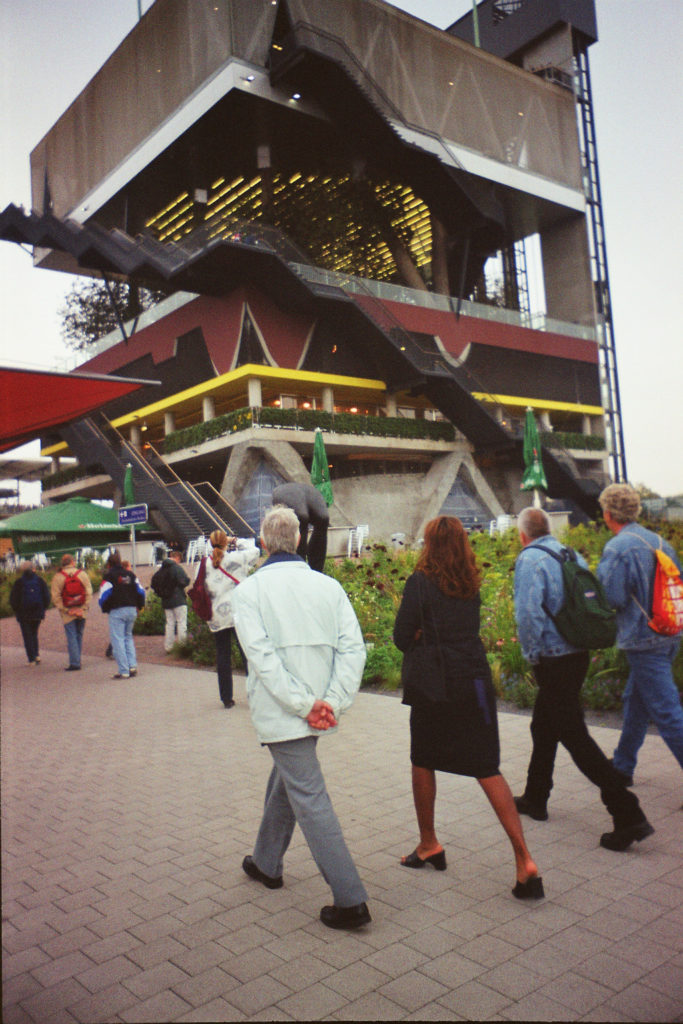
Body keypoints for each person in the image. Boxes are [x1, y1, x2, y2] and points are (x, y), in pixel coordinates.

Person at [232, 505, 370, 930]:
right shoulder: (328, 586)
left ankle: (351, 900)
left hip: (285, 712)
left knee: (309, 796)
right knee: (289, 783)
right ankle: (266, 861)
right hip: (315, 711)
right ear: (297, 540)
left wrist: (305, 704)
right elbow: (354, 650)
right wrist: (331, 700)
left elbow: (263, 661)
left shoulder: (249, 591)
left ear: (262, 540)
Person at [393, 515, 544, 900]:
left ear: (429, 543)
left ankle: (429, 843)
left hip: (435, 686)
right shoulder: (469, 582)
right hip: (473, 680)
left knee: (423, 758)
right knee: (486, 767)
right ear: (462, 544)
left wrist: (420, 633)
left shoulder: (420, 582)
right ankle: (524, 859)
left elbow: (399, 638)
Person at [513, 506, 654, 851]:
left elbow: (529, 614)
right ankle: (536, 797)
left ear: (522, 534)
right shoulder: (569, 553)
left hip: (552, 658)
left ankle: (628, 814)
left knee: (575, 736)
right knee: (543, 726)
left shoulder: (530, 559)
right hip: (577, 653)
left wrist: (532, 656)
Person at [597, 483, 683, 783]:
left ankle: (622, 766)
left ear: (608, 514)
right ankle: (622, 766)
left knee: (668, 713)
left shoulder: (618, 547)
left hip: (643, 639)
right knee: (636, 700)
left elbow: (611, 598)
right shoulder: (659, 541)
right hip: (669, 633)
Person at [200, 530, 259, 709]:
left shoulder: (205, 564)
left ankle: (227, 698)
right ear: (226, 542)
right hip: (238, 613)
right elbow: (255, 550)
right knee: (246, 654)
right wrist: (237, 540)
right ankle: (254, 694)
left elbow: (201, 587)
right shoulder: (236, 559)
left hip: (218, 615)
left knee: (223, 655)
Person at [98, 550, 146, 679]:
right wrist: (139, 605)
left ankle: (123, 670)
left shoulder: (109, 577)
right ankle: (132, 666)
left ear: (109, 564)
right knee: (128, 637)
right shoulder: (131, 575)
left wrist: (106, 608)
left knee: (118, 640)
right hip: (131, 609)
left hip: (117, 610)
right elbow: (141, 592)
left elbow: (103, 596)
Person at [271, 482, 330, 572]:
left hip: (309, 491)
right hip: (289, 494)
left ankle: (316, 570)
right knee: (301, 517)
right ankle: (299, 568)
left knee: (323, 518)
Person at [51, 553, 93, 671]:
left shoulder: (58, 577)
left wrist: (66, 610)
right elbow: (89, 592)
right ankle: (77, 659)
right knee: (79, 634)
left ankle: (75, 662)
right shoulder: (82, 574)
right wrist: (83, 608)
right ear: (73, 562)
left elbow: (56, 597)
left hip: (67, 612)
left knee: (71, 636)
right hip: (81, 610)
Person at [10, 561, 50, 665]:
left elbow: (13, 599)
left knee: (27, 635)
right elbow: (46, 596)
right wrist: (43, 608)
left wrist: (17, 610)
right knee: (34, 633)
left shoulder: (19, 582)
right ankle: (36, 655)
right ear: (33, 569)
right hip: (37, 612)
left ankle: (31, 658)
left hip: (24, 613)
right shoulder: (40, 581)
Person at [152, 549, 190, 653]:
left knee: (170, 624)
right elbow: (185, 581)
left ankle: (169, 647)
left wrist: (162, 593)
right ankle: (182, 646)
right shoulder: (177, 568)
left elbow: (154, 583)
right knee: (181, 623)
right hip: (179, 599)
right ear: (177, 558)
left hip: (166, 601)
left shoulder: (161, 570)